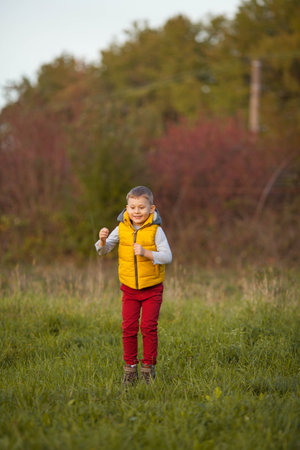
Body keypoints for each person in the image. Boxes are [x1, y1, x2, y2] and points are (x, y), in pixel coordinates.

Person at [95, 186, 172, 385]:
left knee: (148, 327)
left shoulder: (156, 230)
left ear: (152, 209)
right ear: (126, 208)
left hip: (152, 289)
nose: (136, 212)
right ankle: (130, 370)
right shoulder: (122, 228)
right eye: (132, 207)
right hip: (129, 288)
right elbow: (103, 251)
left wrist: (146, 253)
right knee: (128, 328)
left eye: (141, 207)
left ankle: (148, 370)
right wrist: (102, 241)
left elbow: (167, 257)